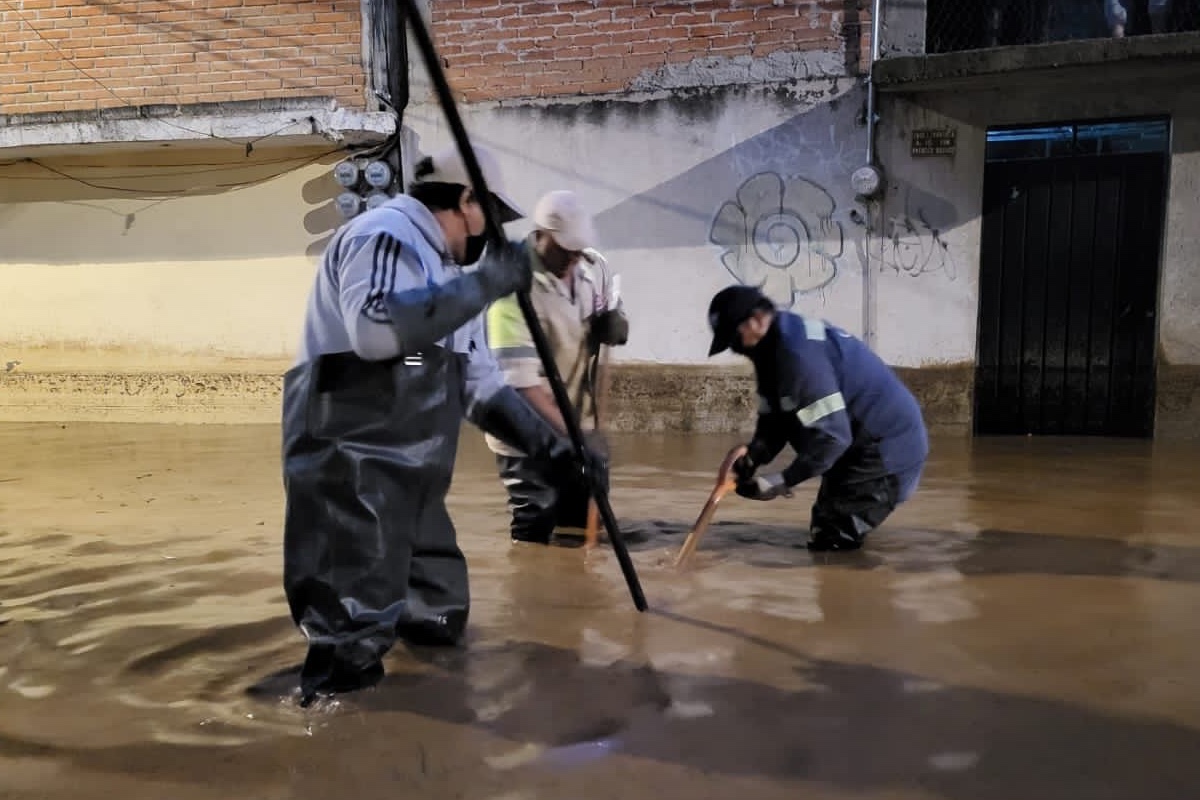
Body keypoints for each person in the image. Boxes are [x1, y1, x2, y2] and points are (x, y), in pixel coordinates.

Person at [281, 143, 606, 701]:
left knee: (438, 617)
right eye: (492, 215)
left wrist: (554, 453)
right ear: (466, 200)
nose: (491, 233)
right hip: (351, 463)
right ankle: (339, 739)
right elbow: (377, 334)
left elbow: (478, 384)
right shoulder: (384, 234)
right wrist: (481, 285)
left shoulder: (449, 274)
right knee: (351, 634)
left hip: (416, 474)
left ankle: (429, 715)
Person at [705, 285, 928, 552]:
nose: (734, 348)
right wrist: (754, 455)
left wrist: (782, 481)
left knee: (832, 537)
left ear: (757, 320)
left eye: (734, 338)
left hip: (885, 452)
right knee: (829, 522)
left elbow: (833, 439)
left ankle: (848, 590)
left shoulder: (797, 355)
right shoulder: (770, 348)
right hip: (857, 446)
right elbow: (776, 419)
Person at [484, 190, 629, 545]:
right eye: (566, 251)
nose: (574, 260)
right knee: (534, 532)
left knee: (586, 527)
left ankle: (580, 597)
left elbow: (608, 312)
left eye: (579, 251)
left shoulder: (586, 274)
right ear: (542, 235)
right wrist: (578, 437)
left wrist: (614, 325)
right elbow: (521, 388)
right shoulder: (510, 296)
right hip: (528, 443)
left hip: (579, 430)